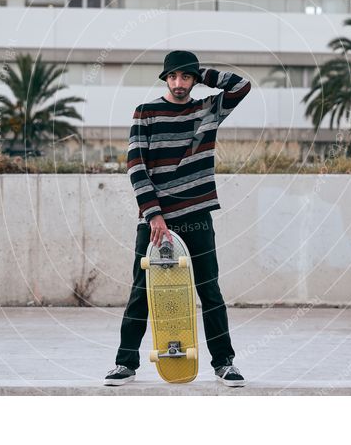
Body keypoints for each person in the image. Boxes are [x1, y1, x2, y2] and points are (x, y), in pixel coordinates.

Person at [104, 50, 251, 387]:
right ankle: (125, 363)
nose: (179, 83)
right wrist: (154, 215)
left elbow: (241, 86)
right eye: (173, 76)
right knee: (142, 291)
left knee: (209, 289)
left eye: (186, 77)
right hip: (156, 221)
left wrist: (201, 72)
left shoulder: (208, 109)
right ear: (165, 79)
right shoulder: (146, 113)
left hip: (197, 215)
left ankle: (224, 364)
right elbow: (136, 166)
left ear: (193, 79)